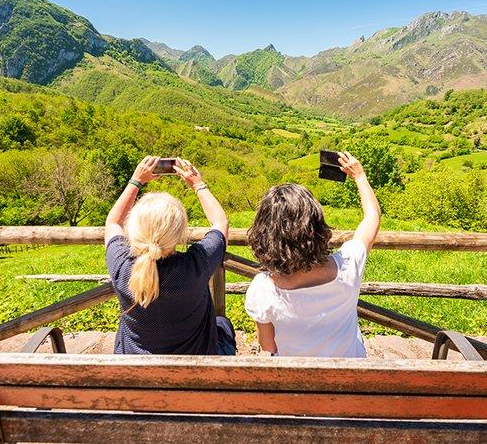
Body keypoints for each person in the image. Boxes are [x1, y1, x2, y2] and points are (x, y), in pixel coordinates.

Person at [244, 151, 380, 357]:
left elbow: (269, 348)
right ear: (316, 227)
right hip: (350, 373)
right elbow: (372, 217)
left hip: (299, 379)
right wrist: (359, 176)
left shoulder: (264, 288)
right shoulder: (347, 265)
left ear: (265, 234)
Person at [104, 156, 236, 355]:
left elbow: (113, 222)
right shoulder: (195, 266)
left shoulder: (122, 266)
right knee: (223, 324)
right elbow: (220, 223)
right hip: (196, 370)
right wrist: (197, 184)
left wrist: (136, 181)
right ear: (180, 233)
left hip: (134, 371)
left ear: (134, 229)